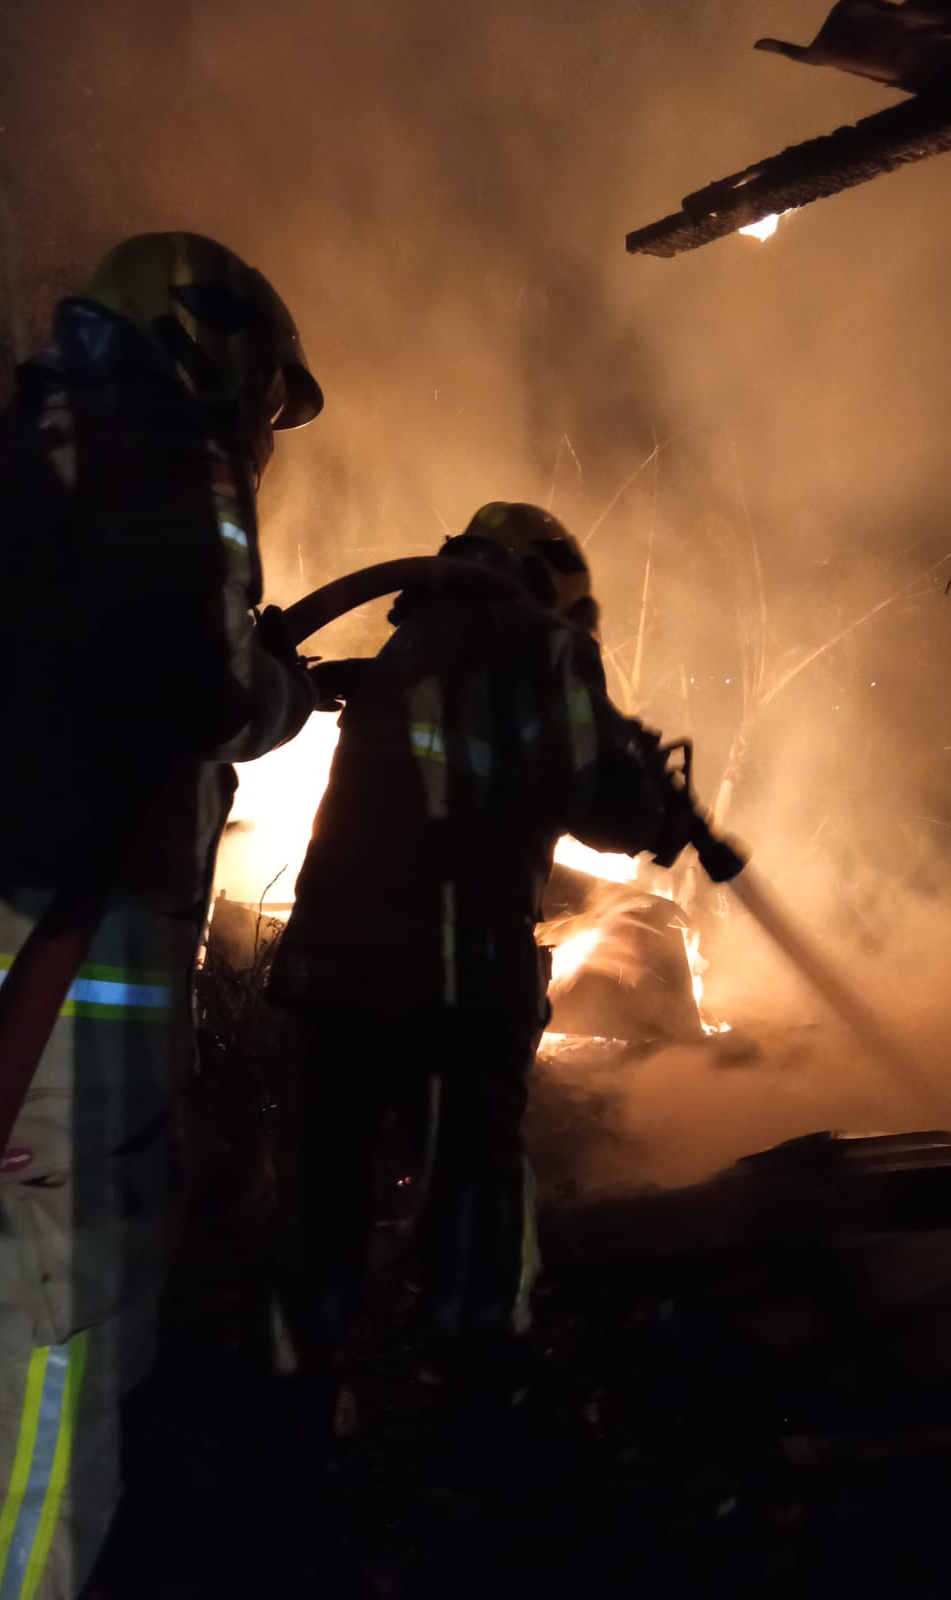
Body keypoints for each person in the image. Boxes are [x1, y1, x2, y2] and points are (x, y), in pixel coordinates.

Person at [0, 231, 323, 1599]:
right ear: (217, 364)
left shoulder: (25, 459)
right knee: (49, 1385)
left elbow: (98, 679)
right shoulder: (173, 464)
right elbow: (193, 680)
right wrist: (279, 692)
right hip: (65, 1037)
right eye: (261, 405)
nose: (262, 438)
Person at [267, 500, 694, 1425]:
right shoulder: (543, 649)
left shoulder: (402, 648)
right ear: (552, 583)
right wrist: (658, 804)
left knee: (319, 1209)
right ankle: (482, 1413)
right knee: (477, 1209)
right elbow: (608, 813)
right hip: (454, 991)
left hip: (326, 982)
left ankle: (288, 1417)